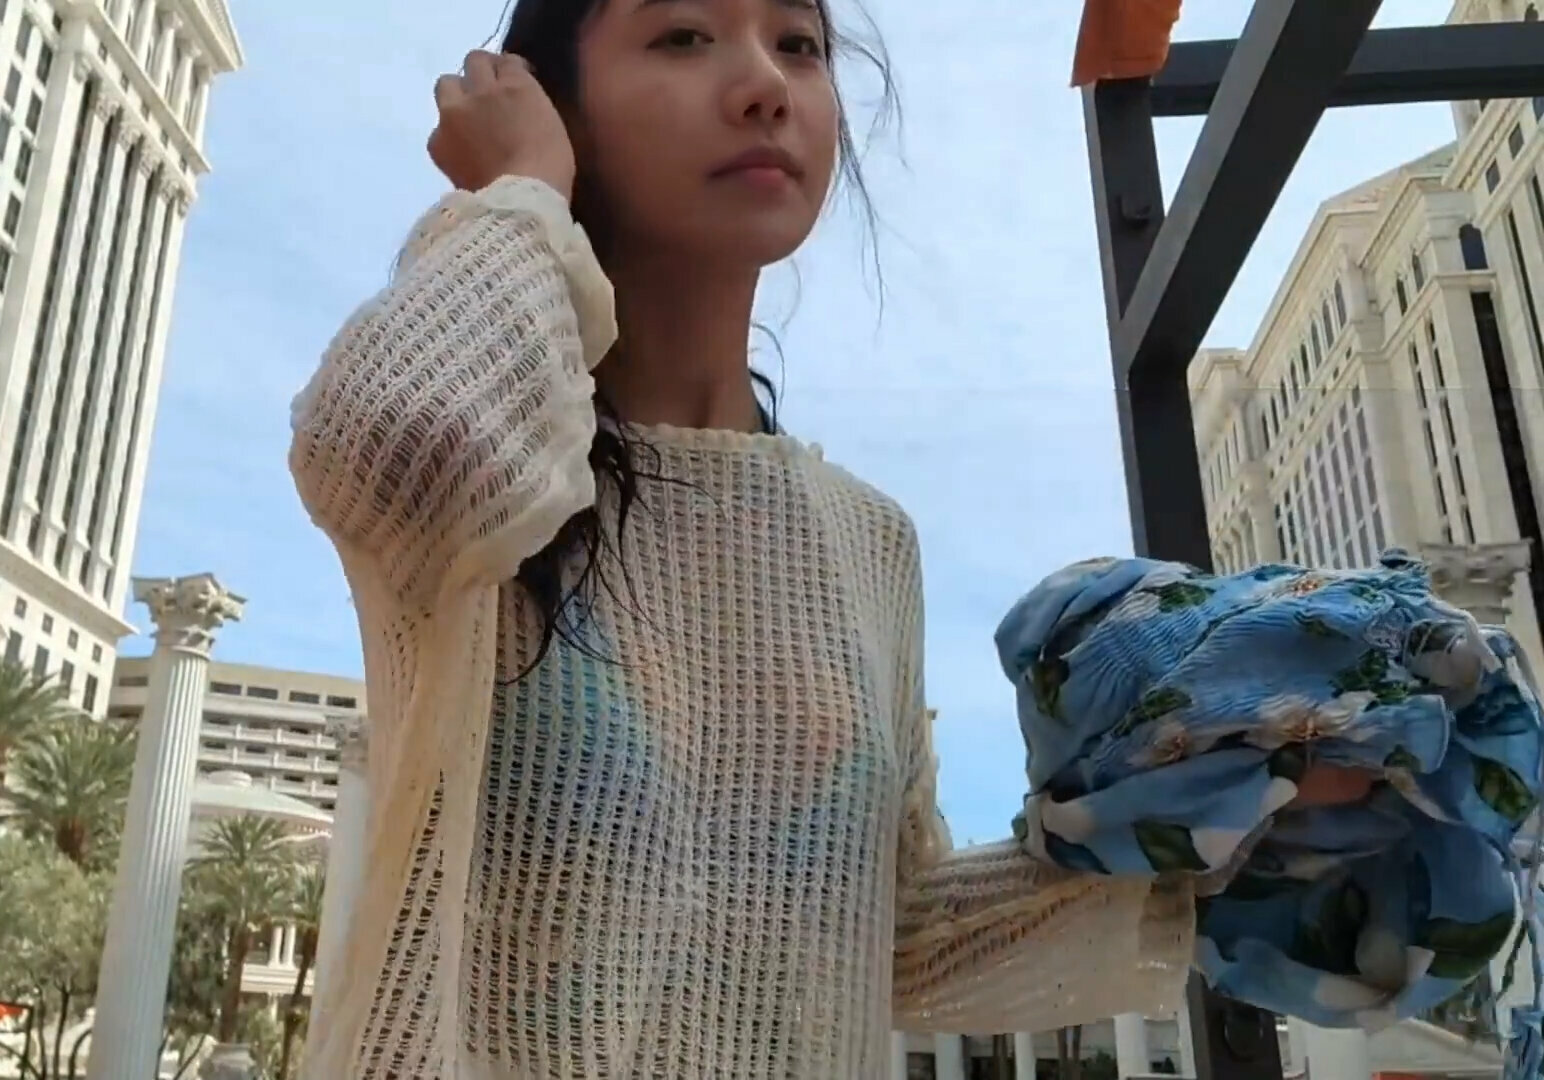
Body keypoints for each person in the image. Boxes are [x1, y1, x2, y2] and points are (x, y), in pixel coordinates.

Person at [288, 0, 1374, 1075]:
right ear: (553, 103)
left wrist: (1226, 826)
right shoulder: (496, 451)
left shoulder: (867, 542)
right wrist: (523, 188)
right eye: (682, 35)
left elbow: (897, 933)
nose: (766, 84)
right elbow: (400, 430)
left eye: (799, 46)